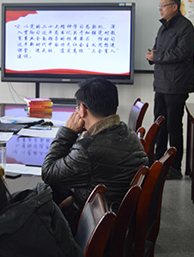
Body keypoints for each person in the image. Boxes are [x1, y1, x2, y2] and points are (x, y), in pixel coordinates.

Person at [41, 78, 148, 218]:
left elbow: (48, 172)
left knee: (42, 194)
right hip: (115, 210)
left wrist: (68, 132)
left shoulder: (87, 149)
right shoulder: (126, 131)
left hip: (97, 221)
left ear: (82, 109)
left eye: (77, 108)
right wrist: (75, 196)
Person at [145, 0, 194, 179]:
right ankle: (158, 162)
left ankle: (174, 167)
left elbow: (182, 53)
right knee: (159, 124)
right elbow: (159, 49)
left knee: (174, 126)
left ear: (174, 7)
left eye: (163, 6)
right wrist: (152, 55)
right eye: (159, 6)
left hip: (177, 84)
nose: (160, 9)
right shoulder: (163, 27)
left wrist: (157, 56)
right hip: (161, 83)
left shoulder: (185, 27)